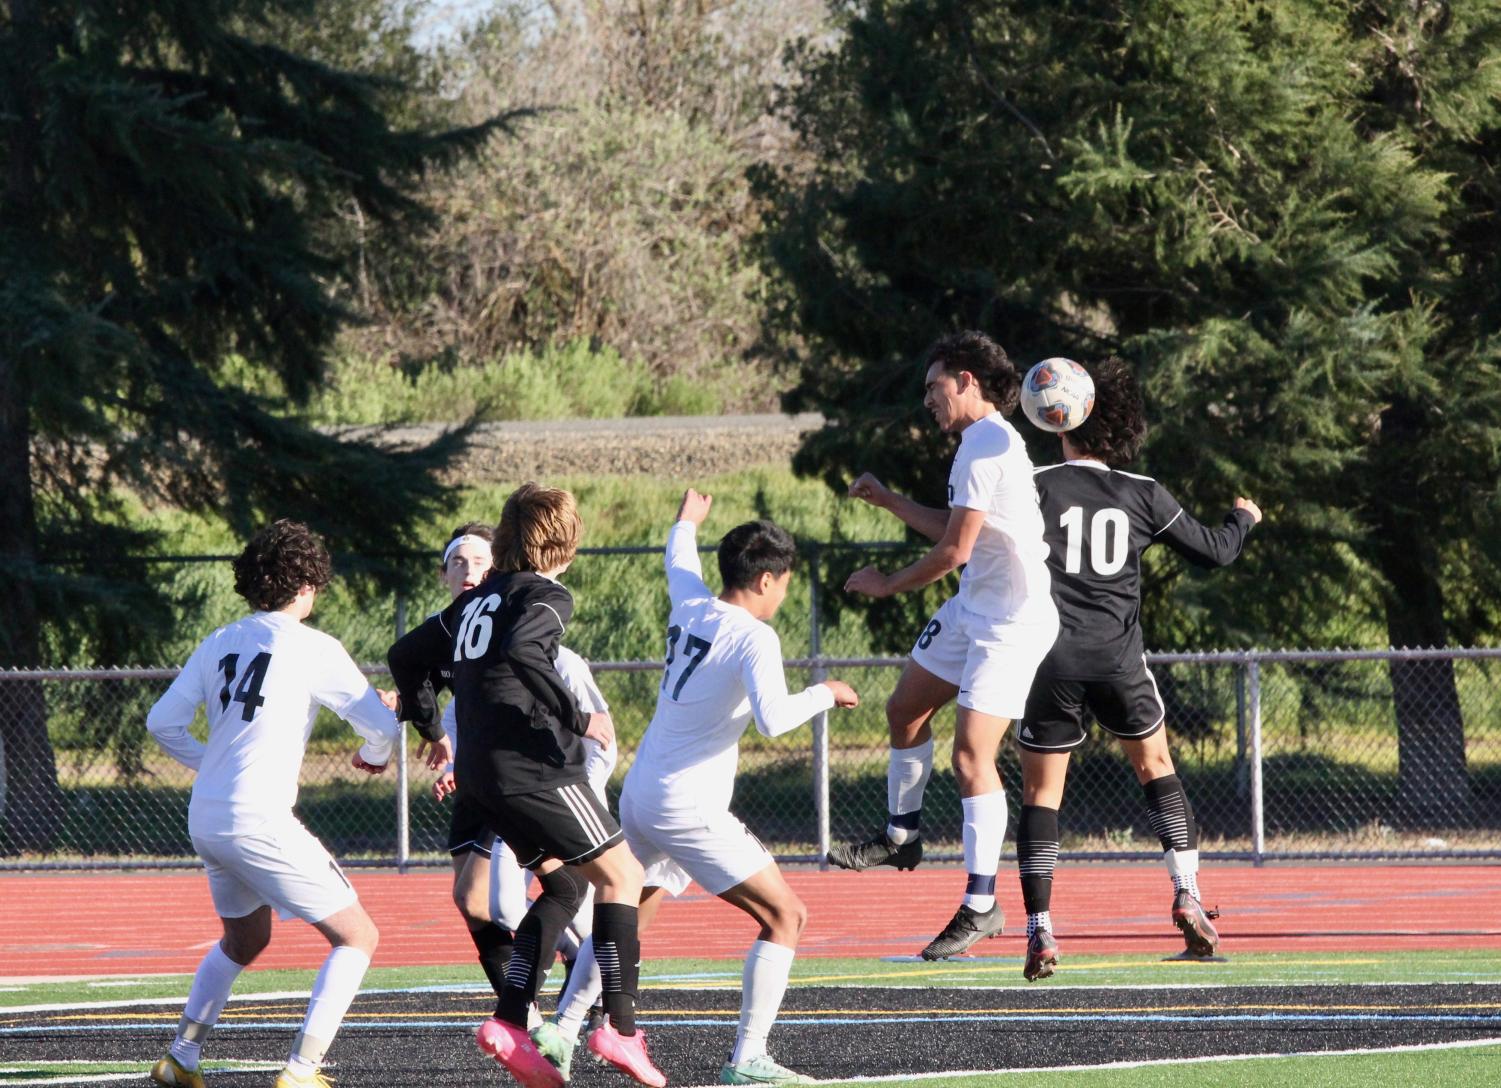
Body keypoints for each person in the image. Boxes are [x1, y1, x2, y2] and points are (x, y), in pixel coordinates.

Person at [534, 489, 859, 1086]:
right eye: (783, 583)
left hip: (642, 793)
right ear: (765, 580)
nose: (783, 595)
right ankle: (748, 1058)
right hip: (688, 806)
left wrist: (686, 521)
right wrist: (826, 692)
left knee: (628, 911)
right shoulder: (755, 637)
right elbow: (772, 719)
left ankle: (563, 1026)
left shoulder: (692, 605)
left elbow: (678, 562)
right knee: (787, 915)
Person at [145, 519, 449, 1088]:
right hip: (257, 818)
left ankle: (181, 1059)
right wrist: (373, 752)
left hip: (207, 817)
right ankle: (302, 1070)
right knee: (358, 937)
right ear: (307, 583)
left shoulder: (219, 640)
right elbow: (383, 725)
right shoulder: (313, 648)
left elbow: (161, 722)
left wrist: (210, 764)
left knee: (246, 939)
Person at [387, 484, 663, 1088]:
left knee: (563, 883)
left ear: (506, 540)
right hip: (533, 770)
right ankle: (619, 1027)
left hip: (481, 778)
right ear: (566, 542)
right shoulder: (547, 592)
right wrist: (578, 716)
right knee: (624, 877)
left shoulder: (476, 599)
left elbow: (405, 653)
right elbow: (524, 649)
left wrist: (431, 724)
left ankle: (511, 1020)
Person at [1013, 357, 1262, 980]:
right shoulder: (1142, 492)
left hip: (1048, 659)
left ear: (1057, 421)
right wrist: (1244, 518)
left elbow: (972, 549)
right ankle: (1187, 893)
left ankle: (1041, 930)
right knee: (1156, 767)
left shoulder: (1031, 485)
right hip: (1118, 659)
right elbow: (1216, 552)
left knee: (1043, 794)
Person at [828, 330, 1059, 962]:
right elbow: (960, 530)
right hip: (973, 610)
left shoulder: (985, 446)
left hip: (1011, 622)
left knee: (969, 757)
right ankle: (902, 835)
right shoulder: (975, 444)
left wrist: (887, 585)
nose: (927, 399)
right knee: (904, 710)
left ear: (966, 380)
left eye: (934, 386)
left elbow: (954, 551)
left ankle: (982, 905)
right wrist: (889, 501)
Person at [427, 522, 615, 1025]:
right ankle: (536, 1009)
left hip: (527, 784)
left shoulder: (552, 650)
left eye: (481, 564)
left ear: (503, 575)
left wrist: (578, 793)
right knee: (474, 903)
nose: (470, 573)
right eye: (458, 563)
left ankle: (562, 1008)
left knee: (518, 901)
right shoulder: (453, 634)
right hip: (486, 783)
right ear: (443, 573)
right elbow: (447, 709)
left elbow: (601, 733)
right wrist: (441, 749)